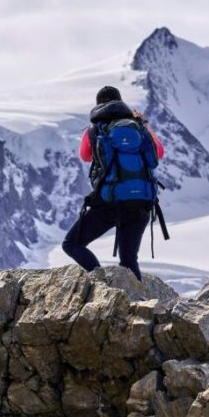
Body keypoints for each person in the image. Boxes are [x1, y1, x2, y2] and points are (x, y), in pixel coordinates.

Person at [62, 86, 165, 281]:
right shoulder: (139, 128)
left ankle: (101, 283)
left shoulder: (95, 130)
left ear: (98, 105)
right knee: (129, 260)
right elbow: (158, 152)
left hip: (111, 204)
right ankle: (137, 304)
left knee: (71, 244)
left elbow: (84, 156)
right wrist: (143, 124)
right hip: (142, 203)